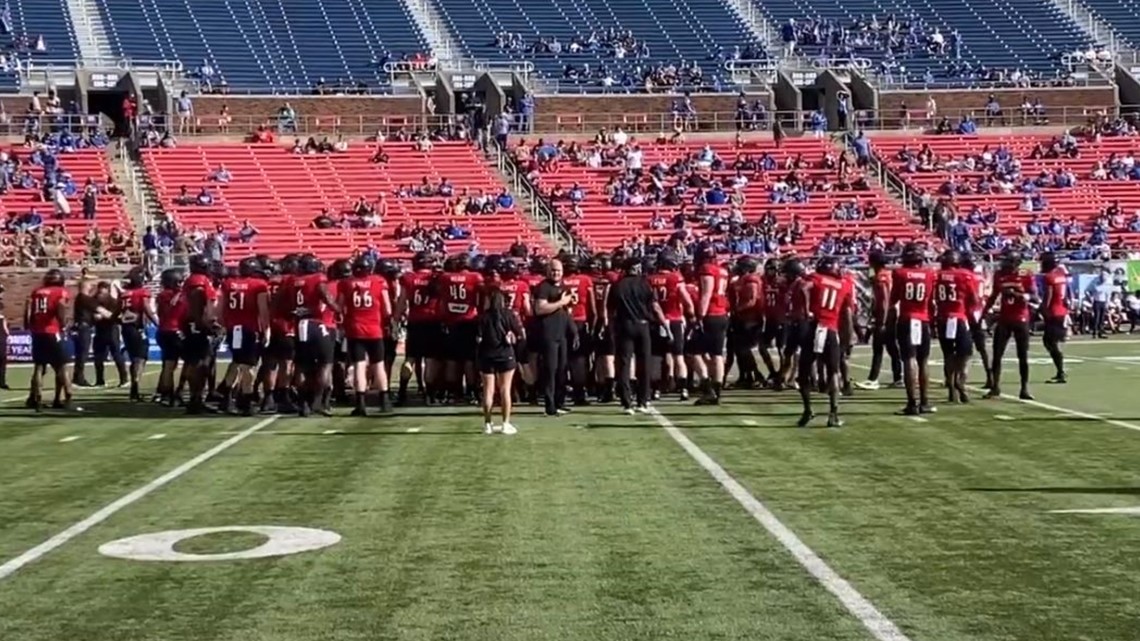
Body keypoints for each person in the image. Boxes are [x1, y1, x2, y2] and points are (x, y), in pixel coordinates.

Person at [796, 256, 854, 427]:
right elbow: (847, 314)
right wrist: (848, 337)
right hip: (831, 330)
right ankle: (833, 414)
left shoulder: (816, 278)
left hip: (814, 328)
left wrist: (807, 310)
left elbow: (803, 288)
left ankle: (808, 409)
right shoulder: (844, 285)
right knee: (833, 373)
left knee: (804, 372)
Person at [609, 256, 667, 414]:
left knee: (624, 364)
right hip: (643, 325)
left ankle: (627, 402)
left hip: (624, 325)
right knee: (644, 363)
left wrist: (611, 328)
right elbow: (655, 306)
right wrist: (664, 323)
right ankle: (643, 400)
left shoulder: (617, 285)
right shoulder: (645, 284)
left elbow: (610, 311)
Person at [339, 255, 394, 416]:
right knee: (378, 365)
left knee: (359, 366)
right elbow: (387, 309)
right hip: (374, 329)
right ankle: (384, 400)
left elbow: (340, 306)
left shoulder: (346, 283)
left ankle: (360, 403)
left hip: (355, 329)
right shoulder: (378, 281)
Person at [219, 257, 270, 415]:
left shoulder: (228, 284)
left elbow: (221, 308)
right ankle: (245, 401)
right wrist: (266, 330)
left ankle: (226, 397)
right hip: (249, 330)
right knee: (248, 366)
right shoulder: (258, 285)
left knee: (237, 362)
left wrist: (224, 325)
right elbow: (263, 311)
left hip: (234, 329)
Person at [984, 250, 1036, 400]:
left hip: (1021, 319)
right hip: (1004, 318)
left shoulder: (1026, 274)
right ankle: (995, 387)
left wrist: (1019, 295)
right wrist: (984, 313)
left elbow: (1034, 296)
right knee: (997, 354)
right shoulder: (999, 275)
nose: (1004, 264)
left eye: (1008, 261)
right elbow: (994, 295)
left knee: (1023, 355)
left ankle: (1024, 388)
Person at [891, 243, 936, 415]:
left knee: (909, 360)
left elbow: (894, 298)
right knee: (923, 361)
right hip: (923, 319)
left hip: (907, 318)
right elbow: (931, 299)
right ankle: (925, 401)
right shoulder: (930, 273)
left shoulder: (900, 273)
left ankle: (912, 403)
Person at [476, 288, 523, 434]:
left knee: (488, 390)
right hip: (505, 355)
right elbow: (519, 335)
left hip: (487, 355)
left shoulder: (483, 317)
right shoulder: (509, 315)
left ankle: (488, 424)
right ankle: (505, 423)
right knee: (505, 390)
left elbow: (478, 338)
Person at [24, 269, 73, 411]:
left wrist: (28, 325)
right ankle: (68, 396)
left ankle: (37, 399)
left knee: (39, 367)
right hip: (53, 331)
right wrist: (63, 324)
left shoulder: (37, 292)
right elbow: (61, 306)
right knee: (62, 366)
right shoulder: (60, 292)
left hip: (38, 332)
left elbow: (28, 310)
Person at [532, 258, 575, 416]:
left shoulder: (564, 287)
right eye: (553, 270)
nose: (556, 273)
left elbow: (566, 311)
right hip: (548, 333)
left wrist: (573, 330)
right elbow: (540, 309)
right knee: (550, 369)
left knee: (562, 370)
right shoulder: (543, 287)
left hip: (562, 333)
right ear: (548, 271)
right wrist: (560, 302)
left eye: (558, 270)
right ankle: (550, 405)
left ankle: (560, 402)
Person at [933, 250, 977, 404]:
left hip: (942, 318)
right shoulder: (965, 275)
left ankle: (951, 388)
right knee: (966, 353)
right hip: (959, 317)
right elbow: (974, 299)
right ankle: (960, 381)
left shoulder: (937, 275)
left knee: (948, 355)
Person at [857, 250, 901, 390]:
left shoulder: (881, 278)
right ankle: (898, 377)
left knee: (878, 347)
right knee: (892, 347)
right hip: (893, 313)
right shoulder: (887, 274)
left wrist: (881, 321)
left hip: (886, 314)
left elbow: (884, 300)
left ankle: (873, 379)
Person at [119, 267, 157, 402]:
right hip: (137, 328)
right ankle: (135, 386)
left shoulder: (124, 293)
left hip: (126, 328)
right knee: (140, 358)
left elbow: (118, 311)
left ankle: (133, 389)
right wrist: (157, 323)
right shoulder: (142, 293)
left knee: (134, 357)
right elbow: (147, 309)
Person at [1038, 252, 1069, 383]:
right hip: (1061, 310)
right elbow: (1066, 293)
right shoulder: (1061, 275)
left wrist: (1042, 309)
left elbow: (1048, 296)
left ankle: (1061, 372)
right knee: (1051, 342)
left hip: (1053, 312)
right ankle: (1060, 371)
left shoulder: (1049, 277)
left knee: (1050, 342)